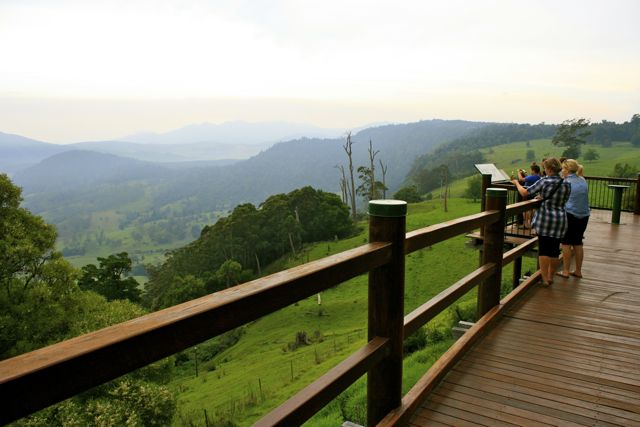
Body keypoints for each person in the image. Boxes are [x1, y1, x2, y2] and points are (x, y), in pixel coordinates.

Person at [512, 157, 571, 286]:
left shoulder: (545, 181)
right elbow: (563, 199)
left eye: (545, 168)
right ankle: (551, 277)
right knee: (554, 250)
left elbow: (525, 193)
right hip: (560, 219)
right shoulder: (566, 183)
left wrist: (516, 183)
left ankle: (544, 279)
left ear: (549, 169)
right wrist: (543, 197)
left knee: (544, 250)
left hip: (545, 219)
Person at [557, 159, 590, 279]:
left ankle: (565, 271)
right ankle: (578, 271)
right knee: (578, 242)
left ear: (566, 169)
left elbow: (559, 198)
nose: (562, 171)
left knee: (566, 243)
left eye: (563, 169)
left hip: (570, 214)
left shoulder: (566, 182)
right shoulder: (582, 180)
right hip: (584, 215)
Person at [518, 163, 542, 228]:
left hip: (528, 195)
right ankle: (531, 223)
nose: (530, 171)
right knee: (531, 210)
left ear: (533, 171)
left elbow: (521, 179)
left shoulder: (533, 176)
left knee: (524, 209)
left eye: (531, 170)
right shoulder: (538, 177)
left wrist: (519, 173)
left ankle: (526, 224)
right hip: (534, 195)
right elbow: (528, 178)